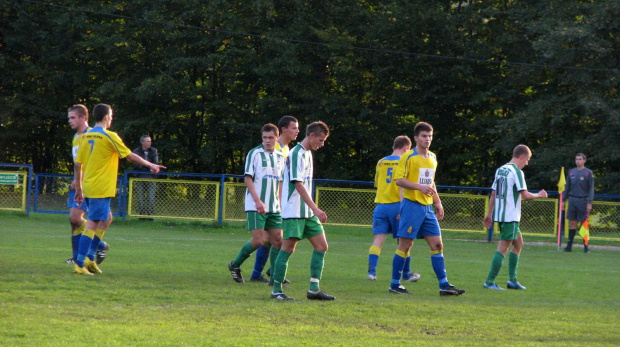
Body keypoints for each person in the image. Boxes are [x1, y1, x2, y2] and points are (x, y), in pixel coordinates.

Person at [73, 103, 165, 275]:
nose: (112, 118)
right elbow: (129, 155)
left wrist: (79, 187)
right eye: (111, 115)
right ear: (107, 116)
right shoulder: (109, 136)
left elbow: (78, 164)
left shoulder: (86, 136)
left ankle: (90, 257)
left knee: (106, 218)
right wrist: (150, 164)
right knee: (93, 222)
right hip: (101, 186)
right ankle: (80, 263)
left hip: (90, 184)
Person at [390, 121, 465, 296]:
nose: (427, 139)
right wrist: (418, 187)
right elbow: (399, 180)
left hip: (427, 208)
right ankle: (394, 284)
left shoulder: (432, 157)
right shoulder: (408, 157)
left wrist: (438, 203)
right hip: (412, 206)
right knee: (405, 246)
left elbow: (431, 183)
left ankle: (444, 285)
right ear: (416, 138)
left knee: (437, 244)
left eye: (430, 136)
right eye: (424, 136)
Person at [270, 121, 334, 301]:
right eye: (320, 140)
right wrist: (316, 207)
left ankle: (314, 289)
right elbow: (297, 184)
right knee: (288, 249)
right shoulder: (296, 153)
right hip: (294, 211)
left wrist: (312, 210)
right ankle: (276, 290)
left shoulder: (307, 154)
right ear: (311, 135)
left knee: (321, 245)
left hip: (307, 212)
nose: (321, 144)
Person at [483, 144, 548, 290]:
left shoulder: (501, 170)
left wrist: (489, 213)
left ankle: (512, 280)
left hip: (501, 215)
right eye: (527, 160)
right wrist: (539, 195)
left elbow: (493, 193)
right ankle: (489, 281)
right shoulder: (516, 172)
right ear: (522, 157)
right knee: (503, 247)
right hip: (510, 216)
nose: (527, 163)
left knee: (518, 244)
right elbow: (525, 196)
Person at [227, 124, 286, 284]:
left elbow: (280, 182)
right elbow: (248, 178)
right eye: (265, 138)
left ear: (277, 137)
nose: (267, 141)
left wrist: (280, 203)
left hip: (274, 207)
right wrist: (258, 201)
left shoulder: (280, 157)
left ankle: (275, 278)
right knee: (259, 241)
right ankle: (235, 264)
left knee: (278, 241)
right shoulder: (254, 154)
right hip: (256, 205)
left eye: (271, 138)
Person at [252, 116, 299, 283]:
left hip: (279, 201)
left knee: (274, 239)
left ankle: (267, 272)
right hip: (271, 202)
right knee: (271, 239)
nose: (297, 131)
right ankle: (264, 272)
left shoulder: (286, 149)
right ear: (284, 129)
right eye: (294, 128)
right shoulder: (275, 148)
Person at [367, 135, 421, 283]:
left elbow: (378, 184)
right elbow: (403, 187)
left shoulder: (381, 162)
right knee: (403, 242)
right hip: (398, 205)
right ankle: (406, 274)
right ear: (406, 148)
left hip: (381, 206)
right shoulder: (404, 162)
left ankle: (372, 272)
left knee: (378, 240)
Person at [65, 104, 110, 265]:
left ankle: (97, 245)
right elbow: (79, 163)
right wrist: (76, 179)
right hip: (79, 183)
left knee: (78, 217)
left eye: (72, 117)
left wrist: (80, 181)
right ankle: (78, 255)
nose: (69, 121)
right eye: (69, 118)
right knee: (74, 220)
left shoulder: (92, 135)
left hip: (90, 184)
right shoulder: (76, 138)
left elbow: (91, 163)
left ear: (83, 118)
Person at [562, 153, 594, 253]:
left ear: (584, 160)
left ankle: (586, 247)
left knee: (584, 223)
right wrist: (563, 200)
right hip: (572, 200)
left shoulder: (588, 172)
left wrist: (589, 202)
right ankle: (569, 247)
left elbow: (591, 189)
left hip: (583, 200)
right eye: (576, 159)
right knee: (572, 223)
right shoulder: (571, 172)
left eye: (580, 159)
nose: (578, 161)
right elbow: (567, 187)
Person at [132, 135, 159, 221]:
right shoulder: (136, 151)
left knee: (151, 197)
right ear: (142, 142)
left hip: (151, 178)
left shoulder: (154, 151)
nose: (150, 143)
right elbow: (135, 164)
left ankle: (150, 216)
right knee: (140, 198)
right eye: (148, 141)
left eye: (150, 141)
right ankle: (142, 216)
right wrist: (148, 166)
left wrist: (146, 166)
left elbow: (155, 163)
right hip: (139, 177)